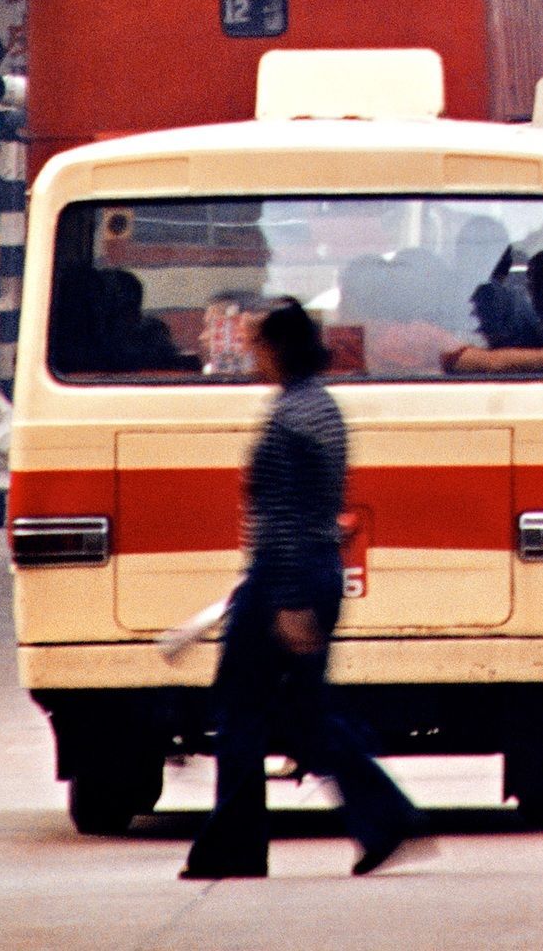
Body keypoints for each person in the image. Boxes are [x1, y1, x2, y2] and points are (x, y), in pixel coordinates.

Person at [180, 301, 424, 881]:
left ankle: (236, 845)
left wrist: (286, 599)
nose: (252, 355)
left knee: (239, 709)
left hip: (284, 578)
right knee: (301, 712)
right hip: (312, 570)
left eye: (259, 344)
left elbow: (286, 513)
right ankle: (385, 815)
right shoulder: (322, 407)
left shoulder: (289, 417)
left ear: (278, 350)